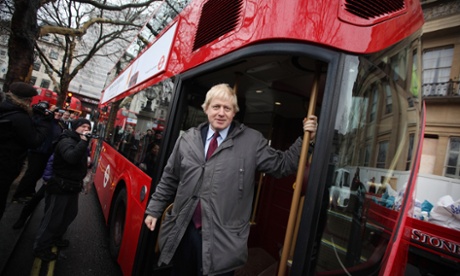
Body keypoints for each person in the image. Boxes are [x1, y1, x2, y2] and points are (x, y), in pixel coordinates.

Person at [144, 83, 318, 276]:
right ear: (206, 108)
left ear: (234, 112)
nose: (221, 113)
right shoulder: (187, 140)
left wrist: (306, 139)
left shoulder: (252, 141)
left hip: (222, 243)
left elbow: (282, 165)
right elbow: (169, 178)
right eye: (216, 107)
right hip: (184, 232)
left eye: (227, 108)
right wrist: (154, 210)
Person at [33, 118, 92, 261]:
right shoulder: (66, 141)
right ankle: (40, 247)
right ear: (75, 127)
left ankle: (55, 238)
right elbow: (71, 158)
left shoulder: (79, 142)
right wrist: (84, 142)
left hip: (72, 186)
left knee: (70, 213)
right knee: (53, 218)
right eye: (83, 126)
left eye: (88, 126)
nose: (86, 129)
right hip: (60, 186)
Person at [0, 82, 52, 221]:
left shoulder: (6, 109)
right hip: (6, 166)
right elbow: (34, 140)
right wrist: (46, 122)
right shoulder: (20, 117)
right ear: (27, 100)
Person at [12, 106, 66, 202]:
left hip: (47, 152)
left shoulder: (60, 125)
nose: (58, 114)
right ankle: (19, 195)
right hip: (38, 151)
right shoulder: (45, 120)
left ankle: (29, 191)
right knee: (31, 173)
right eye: (56, 112)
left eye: (60, 113)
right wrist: (47, 115)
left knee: (38, 174)